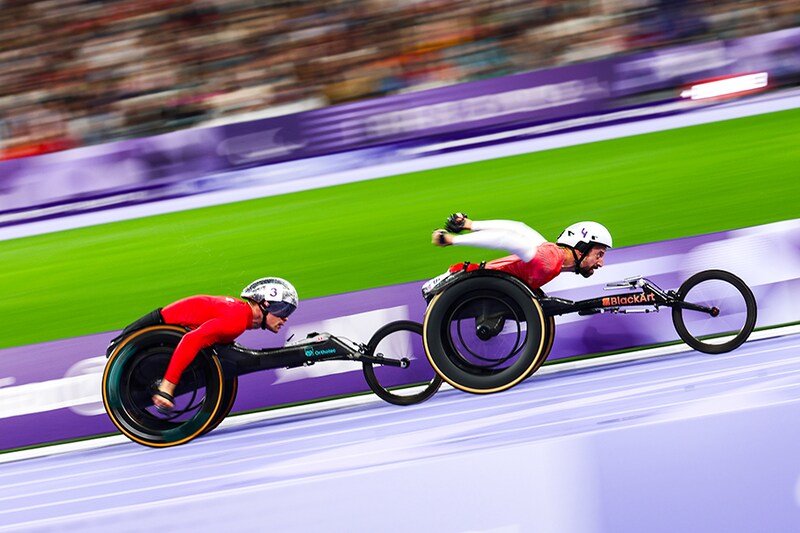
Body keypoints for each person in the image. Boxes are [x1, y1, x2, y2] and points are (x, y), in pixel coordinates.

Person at [147, 277, 299, 412]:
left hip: (163, 326)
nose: (285, 318)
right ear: (264, 306)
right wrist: (167, 387)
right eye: (282, 310)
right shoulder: (236, 321)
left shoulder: (240, 315)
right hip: (155, 329)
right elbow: (190, 340)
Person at [423, 213, 612, 297]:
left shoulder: (550, 252)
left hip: (481, 284)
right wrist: (451, 240)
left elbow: (518, 228)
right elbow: (506, 238)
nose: (601, 263)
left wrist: (471, 224)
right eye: (599, 254)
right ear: (580, 249)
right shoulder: (549, 260)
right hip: (460, 282)